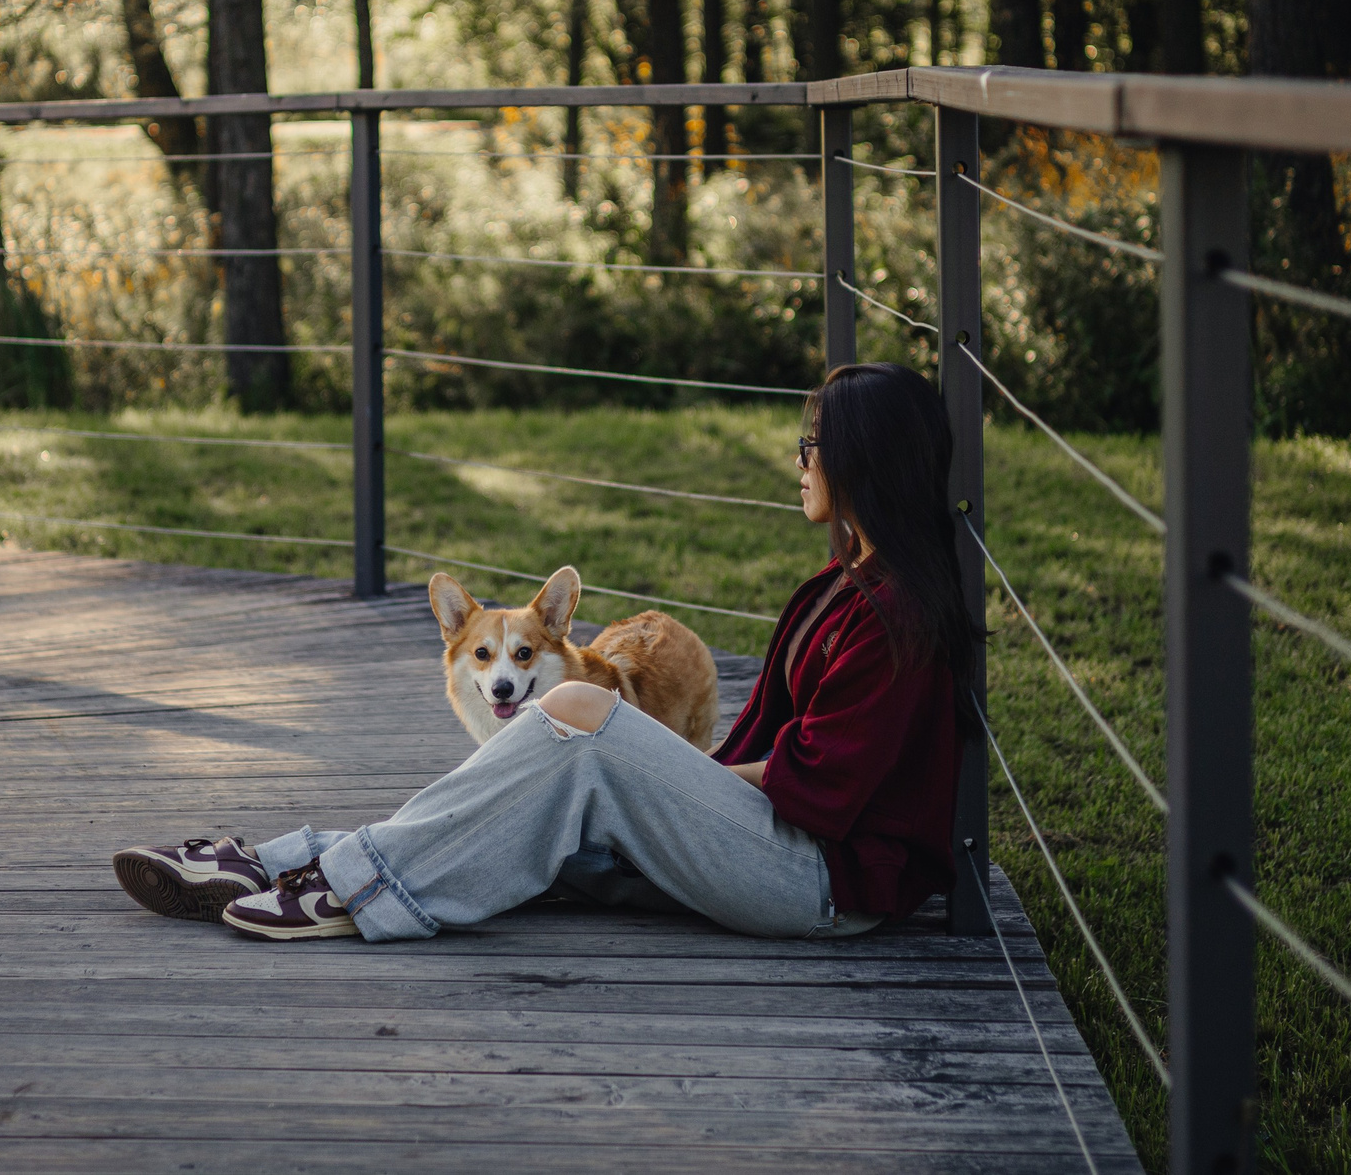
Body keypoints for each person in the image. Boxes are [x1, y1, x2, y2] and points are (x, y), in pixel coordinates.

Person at [109, 361, 974, 941]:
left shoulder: (893, 614)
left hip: (822, 882)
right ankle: (289, 858)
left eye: (813, 443)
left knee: (581, 720)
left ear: (864, 458)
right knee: (543, 799)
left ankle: (348, 889)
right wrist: (659, 772)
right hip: (775, 848)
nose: (800, 459)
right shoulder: (844, 586)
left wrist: (665, 767)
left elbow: (819, 788)